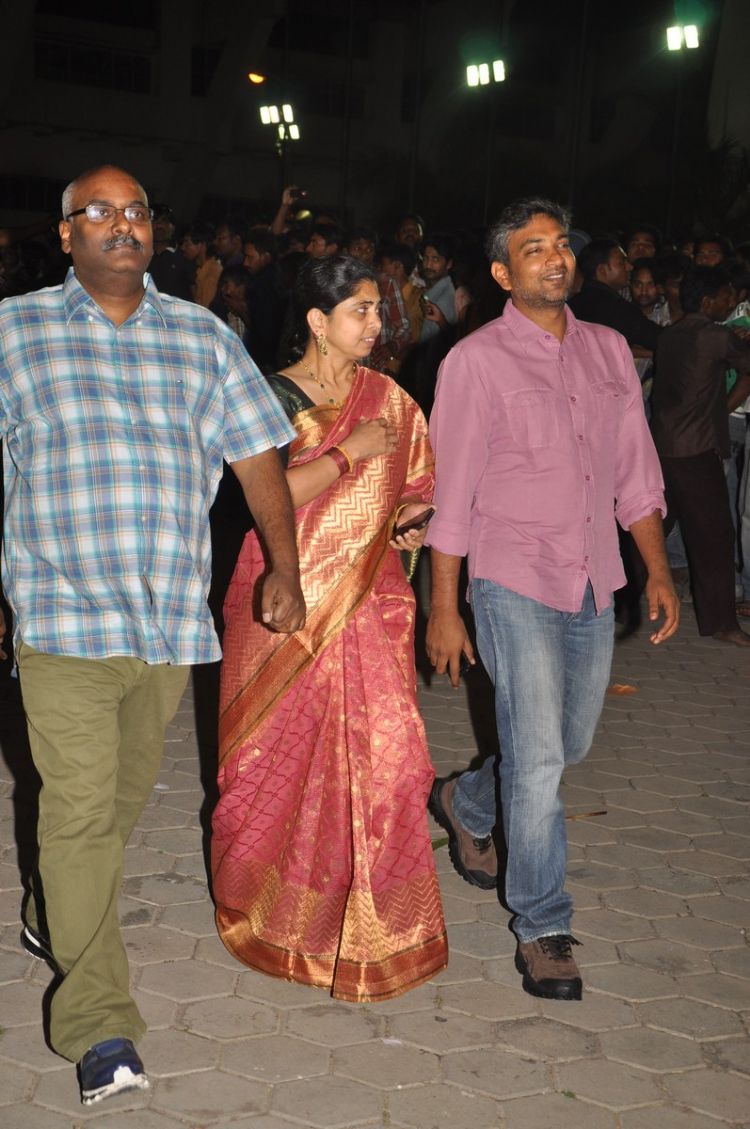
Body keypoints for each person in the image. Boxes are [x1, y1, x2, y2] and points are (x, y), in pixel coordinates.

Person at [0, 165, 305, 1104]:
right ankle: (100, 1026)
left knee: (116, 804)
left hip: (168, 619)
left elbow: (257, 456)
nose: (122, 224)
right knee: (78, 811)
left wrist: (286, 567)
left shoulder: (203, 336)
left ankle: (54, 905)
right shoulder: (13, 331)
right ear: (66, 234)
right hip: (60, 615)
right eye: (99, 212)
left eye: (136, 211)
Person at [425, 197, 679, 1002]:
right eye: (534, 248)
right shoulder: (474, 362)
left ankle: (466, 798)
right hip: (512, 578)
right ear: (503, 273)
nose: (556, 257)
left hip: (591, 575)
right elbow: (451, 497)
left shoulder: (609, 351)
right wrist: (444, 607)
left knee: (564, 742)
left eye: (562, 243)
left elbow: (635, 470)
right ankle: (542, 924)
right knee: (537, 759)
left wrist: (658, 570)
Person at [212, 255, 448, 1002]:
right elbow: (262, 494)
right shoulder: (269, 394)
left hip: (368, 602)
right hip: (284, 599)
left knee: (392, 762)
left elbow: (415, 482)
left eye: (379, 309)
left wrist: (411, 517)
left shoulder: (391, 399)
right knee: (271, 765)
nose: (377, 324)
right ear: (319, 321)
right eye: (361, 310)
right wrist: (350, 454)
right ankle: (271, 912)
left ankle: (379, 929)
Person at [651, 265, 750, 644]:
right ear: (708, 301)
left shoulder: (670, 334)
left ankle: (614, 601)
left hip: (663, 445)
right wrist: (724, 409)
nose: (732, 300)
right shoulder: (716, 335)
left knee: (653, 527)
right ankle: (721, 623)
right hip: (696, 449)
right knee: (714, 537)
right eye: (726, 295)